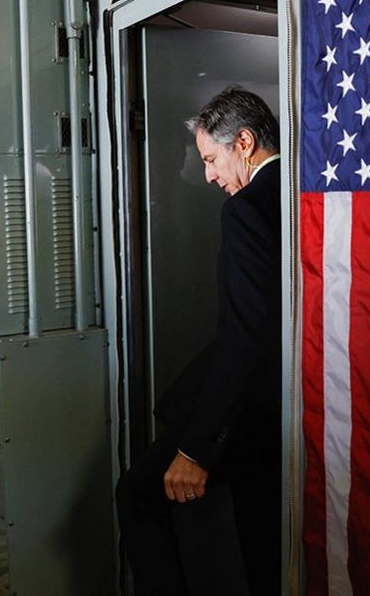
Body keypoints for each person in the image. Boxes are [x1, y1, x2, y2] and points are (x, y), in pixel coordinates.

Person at [116, 87, 282, 594]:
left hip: (255, 409)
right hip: (299, 401)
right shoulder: (310, 191)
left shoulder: (248, 208)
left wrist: (196, 449)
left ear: (246, 142)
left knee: (138, 493)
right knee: (270, 541)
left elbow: (245, 336)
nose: (209, 175)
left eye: (212, 159)